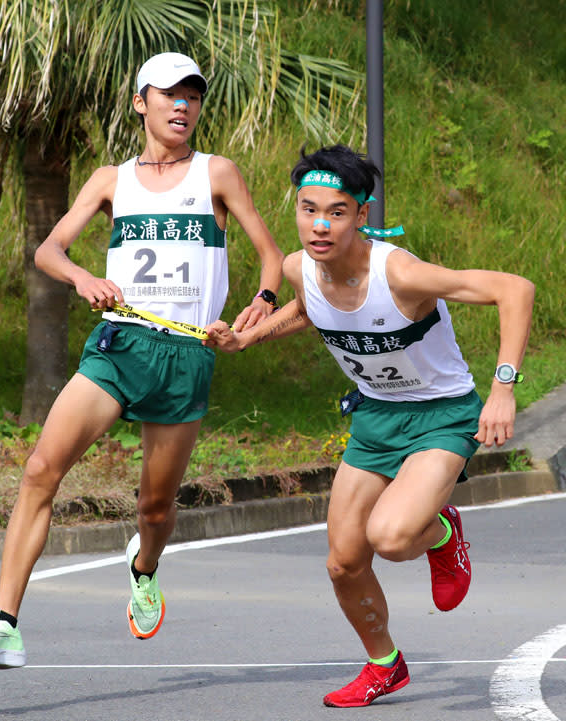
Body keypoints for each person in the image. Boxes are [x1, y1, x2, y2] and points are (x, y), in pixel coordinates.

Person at [0, 52, 283, 669]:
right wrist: (84, 277)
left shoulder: (218, 173)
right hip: (120, 342)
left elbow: (271, 257)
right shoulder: (111, 180)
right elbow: (50, 250)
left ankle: (144, 566)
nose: (183, 105)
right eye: (169, 94)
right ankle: (3, 625)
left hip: (187, 353)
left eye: (192, 95)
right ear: (141, 103)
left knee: (155, 509)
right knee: (39, 470)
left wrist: (260, 304)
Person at [203, 144, 534, 708]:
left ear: (362, 215)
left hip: (440, 416)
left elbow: (514, 289)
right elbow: (309, 310)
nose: (319, 225)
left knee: (391, 537)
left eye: (336, 212)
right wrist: (246, 337)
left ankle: (443, 534)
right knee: (343, 561)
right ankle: (385, 664)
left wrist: (503, 389)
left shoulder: (400, 272)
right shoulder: (296, 268)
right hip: (375, 415)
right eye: (309, 209)